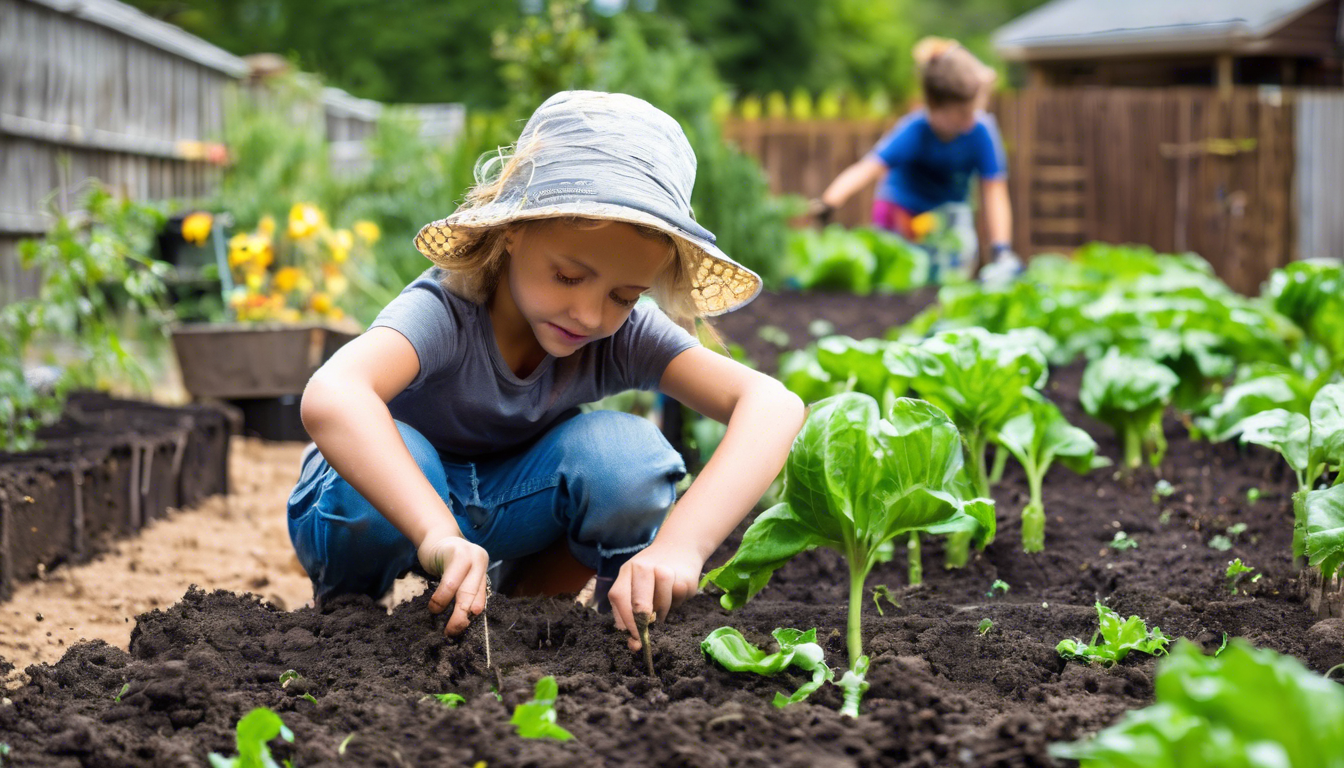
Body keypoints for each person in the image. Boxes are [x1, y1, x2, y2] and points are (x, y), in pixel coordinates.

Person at [286, 90, 804, 653]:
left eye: (624, 296)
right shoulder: (445, 311)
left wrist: (683, 544)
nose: (589, 314)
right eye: (567, 277)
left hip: (511, 504)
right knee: (389, 474)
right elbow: (333, 395)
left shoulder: (622, 337)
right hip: (389, 505)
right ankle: (351, 625)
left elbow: (773, 405)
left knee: (628, 461)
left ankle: (530, 624)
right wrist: (436, 533)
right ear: (514, 230)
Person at [814, 37, 1021, 284]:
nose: (970, 121)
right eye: (962, 114)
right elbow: (868, 168)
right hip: (901, 215)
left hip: (947, 219)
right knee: (900, 286)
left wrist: (1001, 248)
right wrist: (829, 202)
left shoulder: (981, 131)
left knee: (948, 279)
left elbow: (994, 191)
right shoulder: (914, 130)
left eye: (974, 110)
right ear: (934, 107)